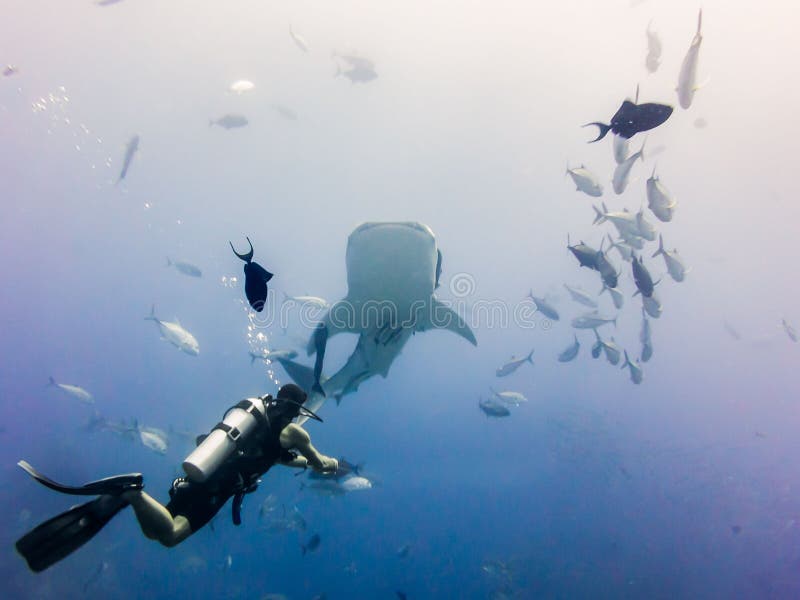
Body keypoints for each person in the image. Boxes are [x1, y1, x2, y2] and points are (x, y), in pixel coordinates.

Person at [15, 384, 338, 572]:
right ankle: (132, 492)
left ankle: (133, 496)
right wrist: (331, 463)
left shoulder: (261, 422)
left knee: (159, 532)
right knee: (172, 535)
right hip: (218, 488)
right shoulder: (296, 433)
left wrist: (305, 464)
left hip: (202, 474)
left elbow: (276, 458)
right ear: (298, 409)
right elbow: (319, 462)